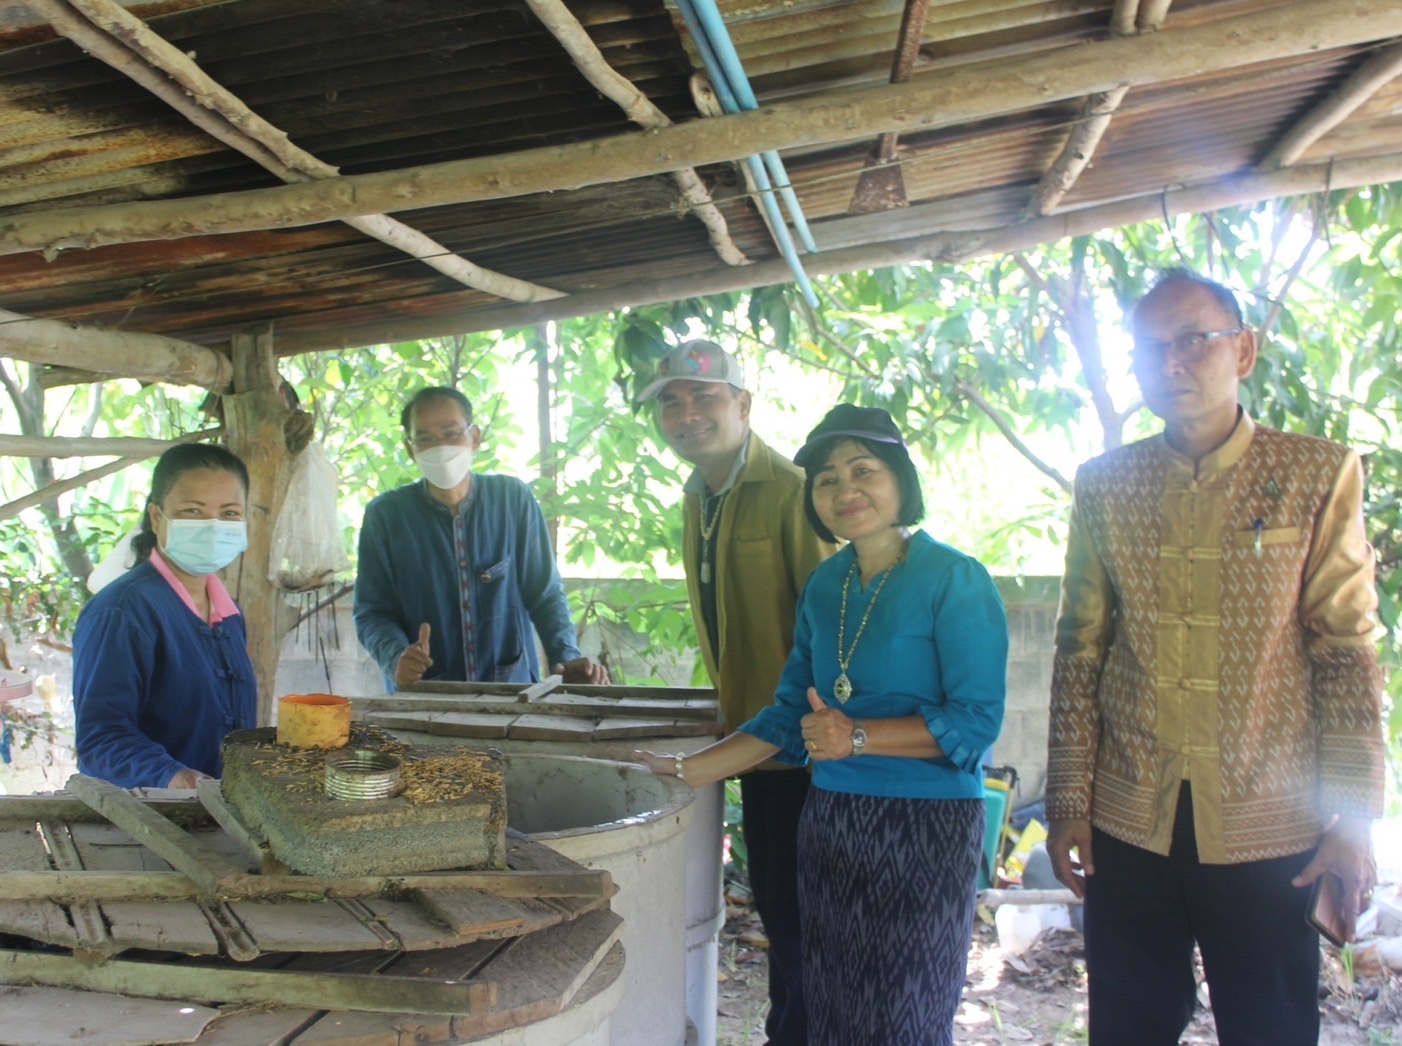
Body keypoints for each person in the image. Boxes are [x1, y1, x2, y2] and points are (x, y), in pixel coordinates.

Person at [1044, 269, 1386, 1045]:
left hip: (1272, 819)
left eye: (1193, 340)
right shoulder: (1105, 485)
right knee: (1128, 1026)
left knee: (1270, 1026)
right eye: (1149, 348)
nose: (1170, 362)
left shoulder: (1315, 473)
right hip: (1131, 814)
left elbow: (1346, 648)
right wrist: (1068, 799)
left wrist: (1354, 817)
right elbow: (1080, 648)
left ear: (1245, 351)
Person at [638, 403, 1007, 1046]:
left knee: (905, 1015)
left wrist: (857, 737)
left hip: (925, 827)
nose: (844, 490)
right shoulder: (825, 584)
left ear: (901, 482)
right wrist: (679, 771)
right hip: (832, 822)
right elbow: (788, 715)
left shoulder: (955, 578)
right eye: (827, 479)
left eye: (864, 471)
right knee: (831, 1009)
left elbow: (976, 724)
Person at [637, 340, 835, 1044]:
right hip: (753, 741)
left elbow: (832, 627)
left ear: (743, 405)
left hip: (806, 748)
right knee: (781, 910)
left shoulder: (792, 489)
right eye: (671, 402)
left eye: (705, 397)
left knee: (804, 920)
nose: (687, 414)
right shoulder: (700, 494)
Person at [353, 386, 606, 689]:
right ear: (410, 449)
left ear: (475, 437)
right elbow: (372, 613)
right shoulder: (386, 516)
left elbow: (545, 595)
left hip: (511, 692)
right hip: (423, 697)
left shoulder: (512, 500)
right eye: (425, 439)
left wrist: (565, 657)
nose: (440, 447)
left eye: (451, 433)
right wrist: (396, 658)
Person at [73, 443, 258, 789]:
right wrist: (172, 776)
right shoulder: (122, 611)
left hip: (217, 812)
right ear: (157, 518)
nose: (213, 526)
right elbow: (100, 739)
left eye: (230, 513)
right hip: (144, 815)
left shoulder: (228, 615)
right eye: (193, 511)